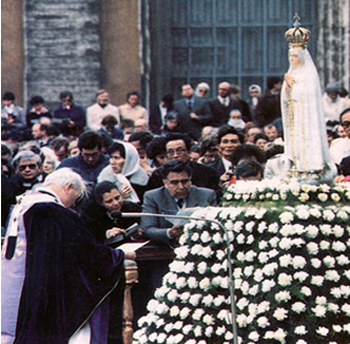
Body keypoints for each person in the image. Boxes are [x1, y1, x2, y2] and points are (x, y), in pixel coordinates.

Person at [1, 168, 133, 344]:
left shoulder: (25, 202)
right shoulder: (50, 210)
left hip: (15, 280)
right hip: (39, 288)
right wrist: (118, 255)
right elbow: (85, 251)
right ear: (68, 187)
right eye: (76, 196)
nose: (72, 204)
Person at [281, 22, 336, 182]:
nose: (292, 59)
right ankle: (297, 168)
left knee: (308, 142)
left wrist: (294, 89)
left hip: (307, 118)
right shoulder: (291, 74)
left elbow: (308, 97)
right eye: (290, 56)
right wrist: (287, 89)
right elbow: (285, 99)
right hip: (296, 118)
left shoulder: (309, 75)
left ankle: (312, 169)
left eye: (295, 56)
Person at [142, 160, 217, 245]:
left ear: (190, 180)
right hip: (165, 247)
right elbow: (148, 228)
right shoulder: (153, 197)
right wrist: (169, 233)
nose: (181, 187)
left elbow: (214, 225)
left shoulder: (207, 195)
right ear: (165, 183)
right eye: (174, 183)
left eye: (185, 181)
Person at [146, 133, 220, 192]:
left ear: (189, 152)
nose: (175, 155)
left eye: (179, 151)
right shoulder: (158, 175)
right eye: (171, 152)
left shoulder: (208, 172)